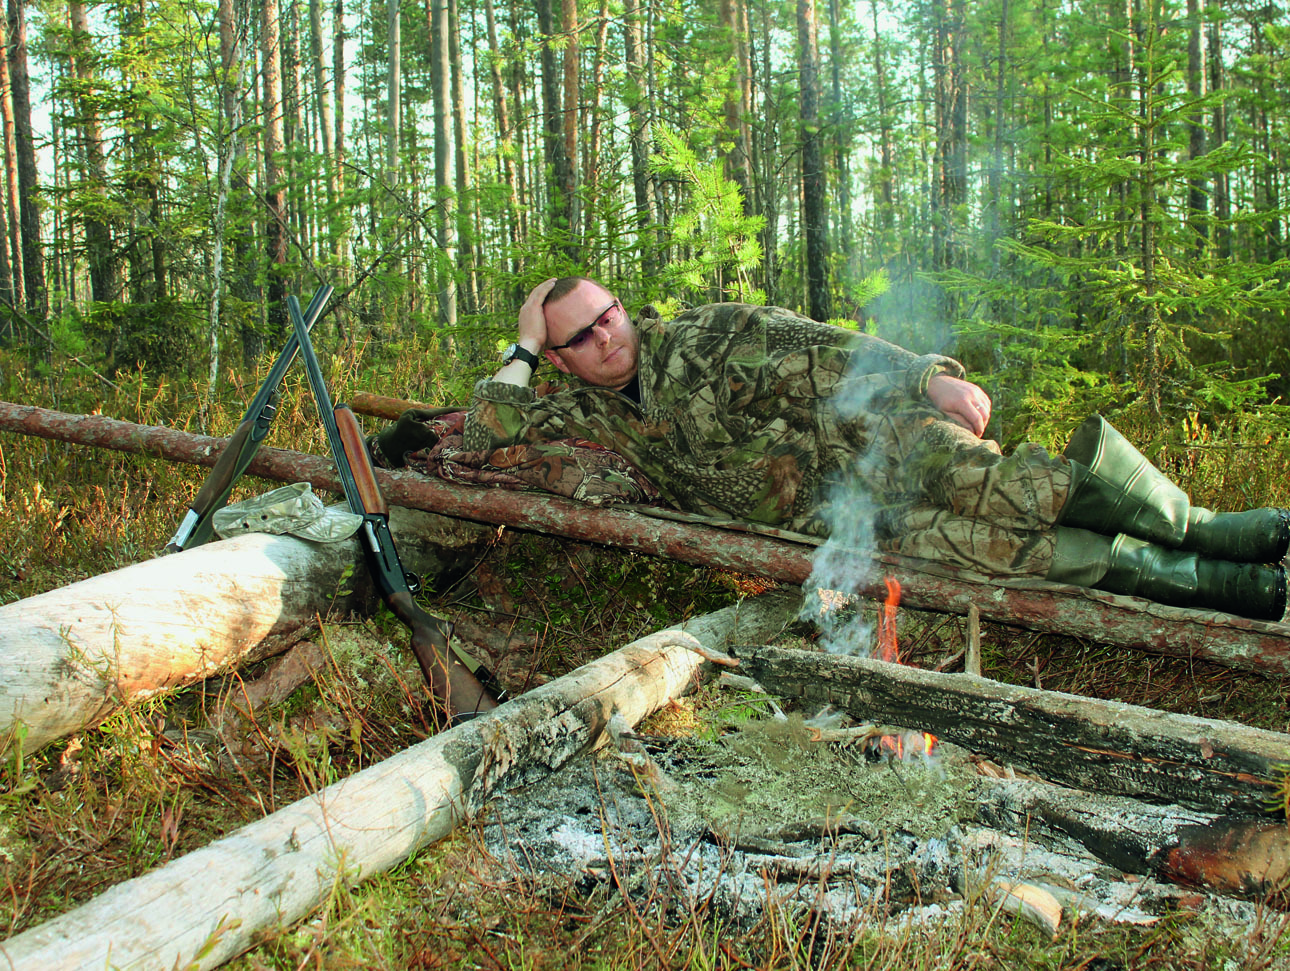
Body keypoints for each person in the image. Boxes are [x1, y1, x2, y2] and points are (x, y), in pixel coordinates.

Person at [381, 276, 1288, 622]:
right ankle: (1208, 585)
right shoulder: (582, 414)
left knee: (1003, 486)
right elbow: (491, 431)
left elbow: (818, 348)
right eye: (579, 335)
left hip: (871, 444)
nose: (608, 337)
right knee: (1006, 551)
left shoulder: (704, 335)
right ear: (563, 358)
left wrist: (928, 374)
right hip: (833, 521)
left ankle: (1206, 526)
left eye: (609, 314)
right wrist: (520, 346)